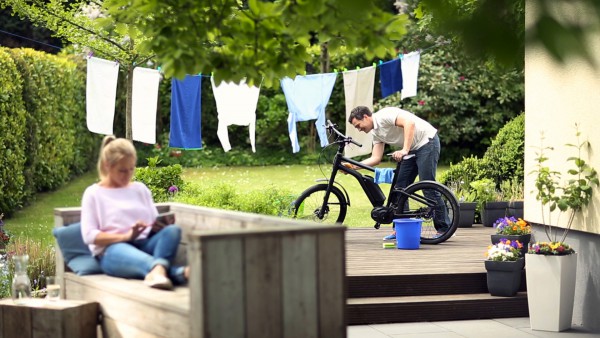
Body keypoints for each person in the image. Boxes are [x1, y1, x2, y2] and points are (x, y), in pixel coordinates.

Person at [80, 136, 188, 290]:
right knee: (121, 249)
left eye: (132, 168)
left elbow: (152, 220)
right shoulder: (93, 194)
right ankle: (176, 272)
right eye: (122, 170)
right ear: (107, 166)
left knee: (172, 231)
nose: (128, 174)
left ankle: (159, 272)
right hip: (113, 250)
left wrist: (158, 226)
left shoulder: (140, 189)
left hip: (145, 244)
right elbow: (89, 236)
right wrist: (127, 236)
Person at [346, 106, 449, 240]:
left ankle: (444, 229)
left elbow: (409, 123)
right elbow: (376, 158)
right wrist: (352, 166)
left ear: (365, 117)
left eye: (358, 125)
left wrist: (405, 150)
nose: (358, 129)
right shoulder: (375, 133)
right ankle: (401, 229)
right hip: (410, 150)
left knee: (427, 186)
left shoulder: (384, 115)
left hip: (426, 142)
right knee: (399, 189)